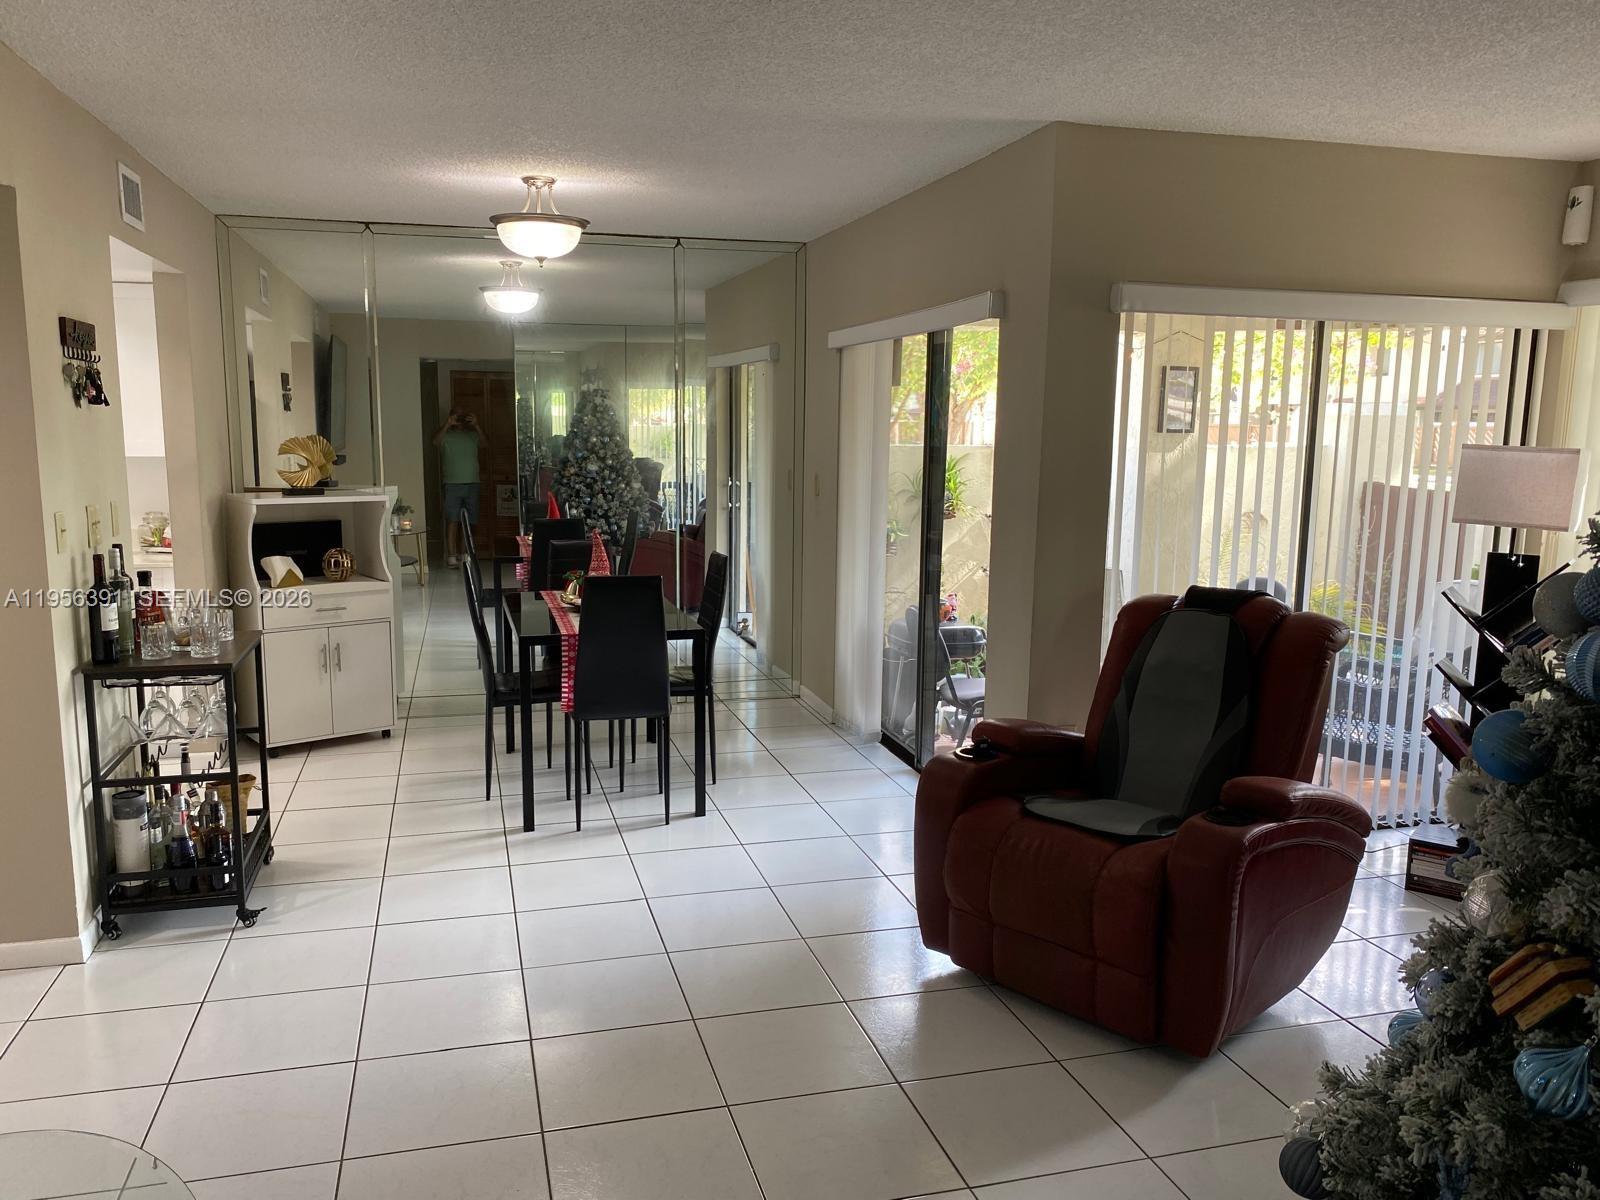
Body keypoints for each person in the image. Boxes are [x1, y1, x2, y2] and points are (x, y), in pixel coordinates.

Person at [433, 409, 484, 567]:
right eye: (457, 416)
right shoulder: (446, 435)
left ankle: (465, 554)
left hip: (472, 483)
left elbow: (485, 444)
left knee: (469, 521)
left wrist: (476, 425)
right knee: (452, 520)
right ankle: (452, 556)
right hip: (452, 483)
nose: (460, 419)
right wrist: (447, 424)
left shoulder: (473, 435)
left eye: (463, 416)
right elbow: (435, 442)